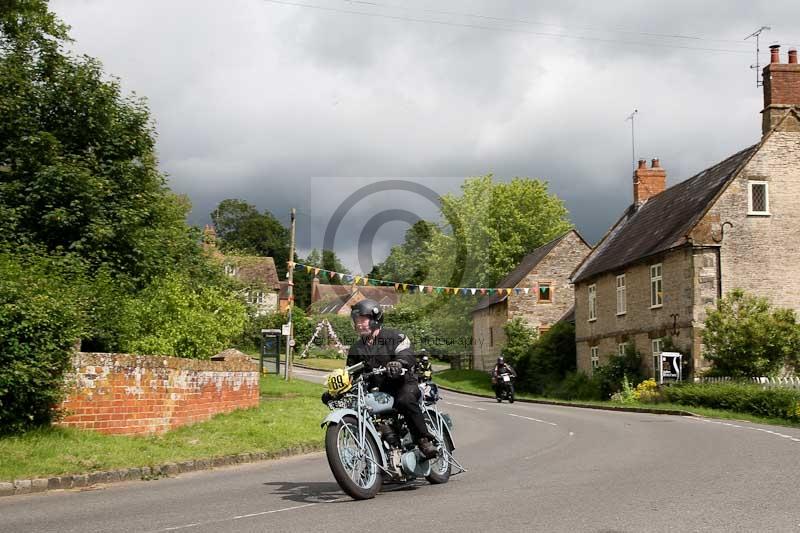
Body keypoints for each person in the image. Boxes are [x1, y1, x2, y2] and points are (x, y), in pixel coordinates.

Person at [343, 299, 438, 459]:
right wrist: (337, 387)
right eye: (356, 320)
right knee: (362, 410)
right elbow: (350, 372)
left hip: (402, 384)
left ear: (375, 319)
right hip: (378, 391)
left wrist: (399, 362)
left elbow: (406, 352)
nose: (359, 324)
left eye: (363, 320)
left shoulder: (395, 336)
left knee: (405, 399)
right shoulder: (356, 348)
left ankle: (423, 440)